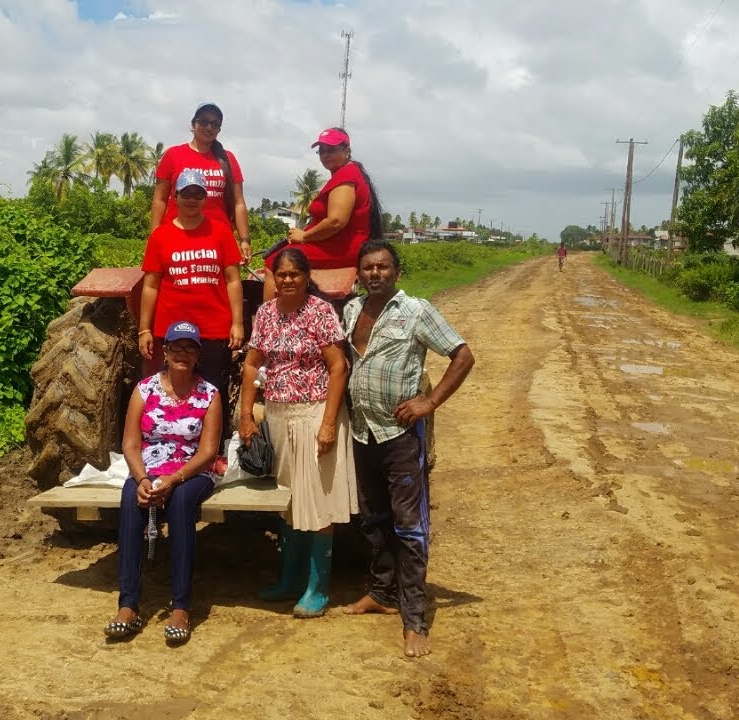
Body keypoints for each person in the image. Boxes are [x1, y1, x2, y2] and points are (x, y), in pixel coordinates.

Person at [339, 238, 475, 659]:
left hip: (399, 436)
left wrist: (429, 402)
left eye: (382, 267)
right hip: (363, 434)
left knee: (409, 527)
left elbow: (463, 355)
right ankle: (382, 592)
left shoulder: (415, 311)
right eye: (367, 268)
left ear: (397, 272)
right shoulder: (350, 310)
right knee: (373, 519)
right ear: (358, 274)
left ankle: (414, 620)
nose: (374, 274)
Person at [238, 247, 355, 618]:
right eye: (280, 274)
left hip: (314, 412)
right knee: (289, 502)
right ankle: (290, 579)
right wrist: (245, 414)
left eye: (294, 274)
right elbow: (253, 364)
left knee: (318, 501)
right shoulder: (266, 314)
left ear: (306, 277)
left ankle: (317, 588)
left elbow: (338, 368)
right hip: (278, 416)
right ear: (272, 277)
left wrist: (327, 424)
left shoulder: (320, 312)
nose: (287, 280)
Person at [105, 321, 223, 645]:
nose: (183, 353)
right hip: (150, 470)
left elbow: (209, 450)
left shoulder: (210, 395)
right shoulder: (144, 390)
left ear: (198, 354)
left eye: (190, 348)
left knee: (183, 501)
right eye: (177, 347)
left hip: (192, 472)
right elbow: (130, 444)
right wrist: (143, 479)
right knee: (131, 498)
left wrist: (173, 479)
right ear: (166, 352)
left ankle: (181, 606)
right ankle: (128, 605)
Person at [138, 168, 244, 419]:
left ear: (205, 198)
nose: (192, 199)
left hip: (212, 328)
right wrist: (145, 329)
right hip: (171, 329)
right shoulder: (160, 236)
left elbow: (232, 280)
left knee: (211, 393)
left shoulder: (220, 232)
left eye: (198, 193)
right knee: (170, 392)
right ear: (175, 196)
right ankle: (168, 449)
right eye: (187, 193)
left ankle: (213, 453)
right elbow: (151, 285)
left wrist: (237, 323)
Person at [264, 127, 384, 299]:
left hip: (341, 247)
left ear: (347, 151)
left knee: (274, 263)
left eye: (332, 150)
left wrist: (304, 237)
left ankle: (268, 323)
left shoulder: (346, 176)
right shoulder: (349, 172)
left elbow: (336, 221)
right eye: (322, 151)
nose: (326, 155)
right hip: (337, 244)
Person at [152, 103, 252, 263]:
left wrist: (244, 240)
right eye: (204, 122)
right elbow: (160, 199)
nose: (209, 127)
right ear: (193, 124)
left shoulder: (228, 159)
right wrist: (155, 236)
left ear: (219, 129)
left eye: (215, 124)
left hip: (218, 239)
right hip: (177, 236)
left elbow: (239, 203)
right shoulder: (173, 155)